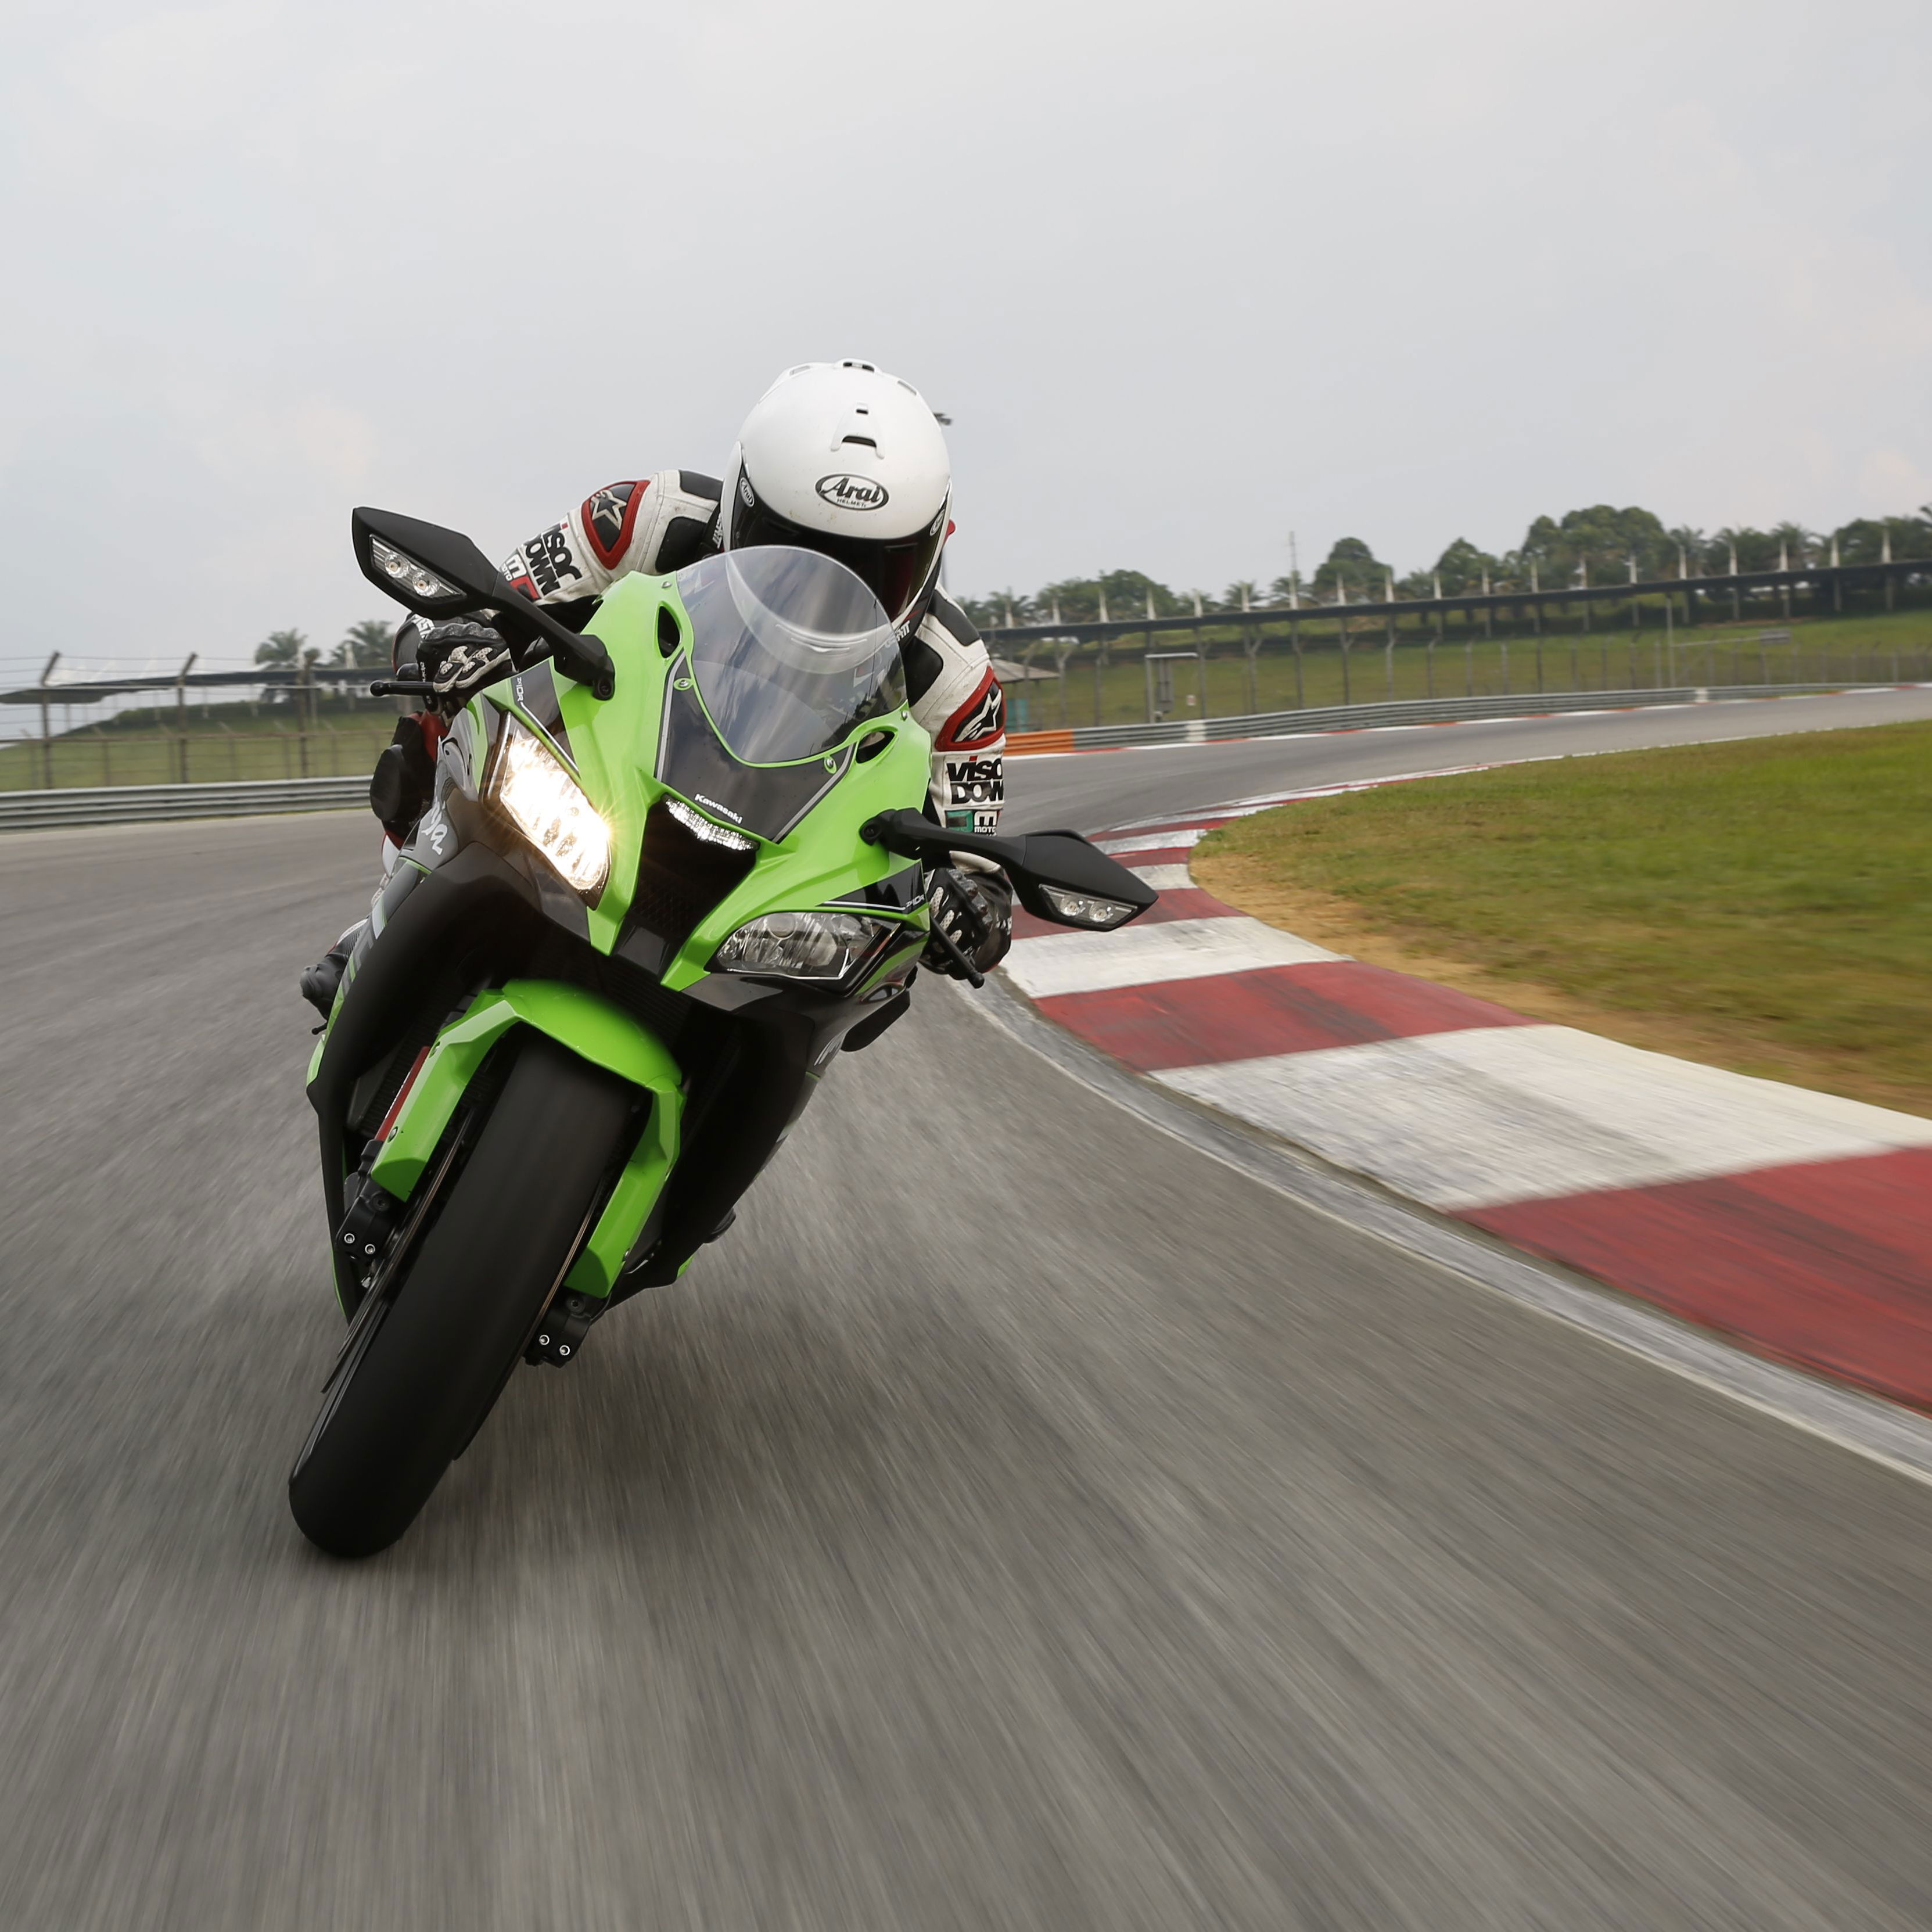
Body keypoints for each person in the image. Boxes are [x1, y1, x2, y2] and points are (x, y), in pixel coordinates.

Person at [303, 361, 1011, 1017]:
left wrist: (971, 905)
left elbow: (978, 864)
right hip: (611, 771)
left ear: (935, 545)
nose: (817, 597)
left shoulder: (956, 678)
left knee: (879, 990)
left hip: (790, 875)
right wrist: (479, 638)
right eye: (783, 546)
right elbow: (510, 595)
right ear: (737, 502)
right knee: (434, 667)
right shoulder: (646, 515)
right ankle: (385, 915)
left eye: (870, 571)